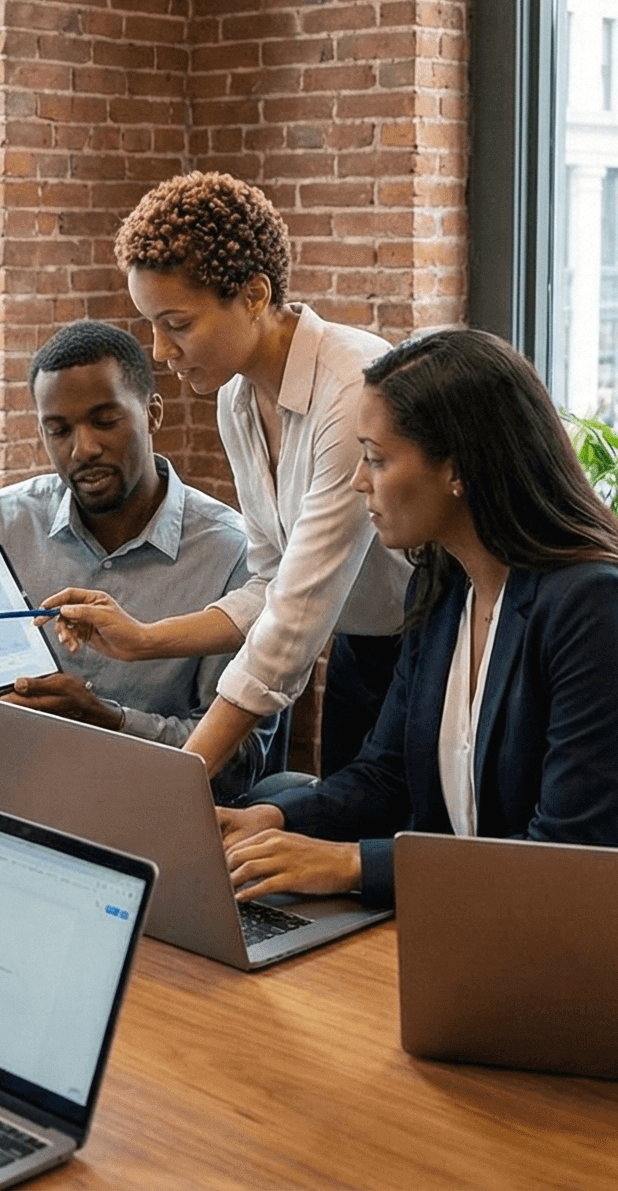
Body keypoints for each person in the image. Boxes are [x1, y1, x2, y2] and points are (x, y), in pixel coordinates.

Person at [215, 328, 618, 908]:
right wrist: (273, 817)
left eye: (376, 460)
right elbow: (388, 774)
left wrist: (351, 864)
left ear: (459, 471)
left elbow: (569, 855)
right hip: (481, 924)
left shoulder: (597, 608)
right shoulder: (443, 584)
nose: (359, 482)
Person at [41, 173, 413, 781]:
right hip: (359, 647)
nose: (160, 351)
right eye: (151, 325)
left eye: (178, 324)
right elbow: (270, 581)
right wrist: (142, 639)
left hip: (428, 642)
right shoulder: (236, 399)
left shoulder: (351, 389)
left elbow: (294, 620)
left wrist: (182, 778)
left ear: (254, 295)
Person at [0, 321, 271, 800]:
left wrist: (105, 719)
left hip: (147, 804)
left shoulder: (232, 553)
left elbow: (240, 766)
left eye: (105, 421)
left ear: (153, 414)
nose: (83, 449)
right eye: (59, 430)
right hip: (12, 785)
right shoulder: (1, 523)